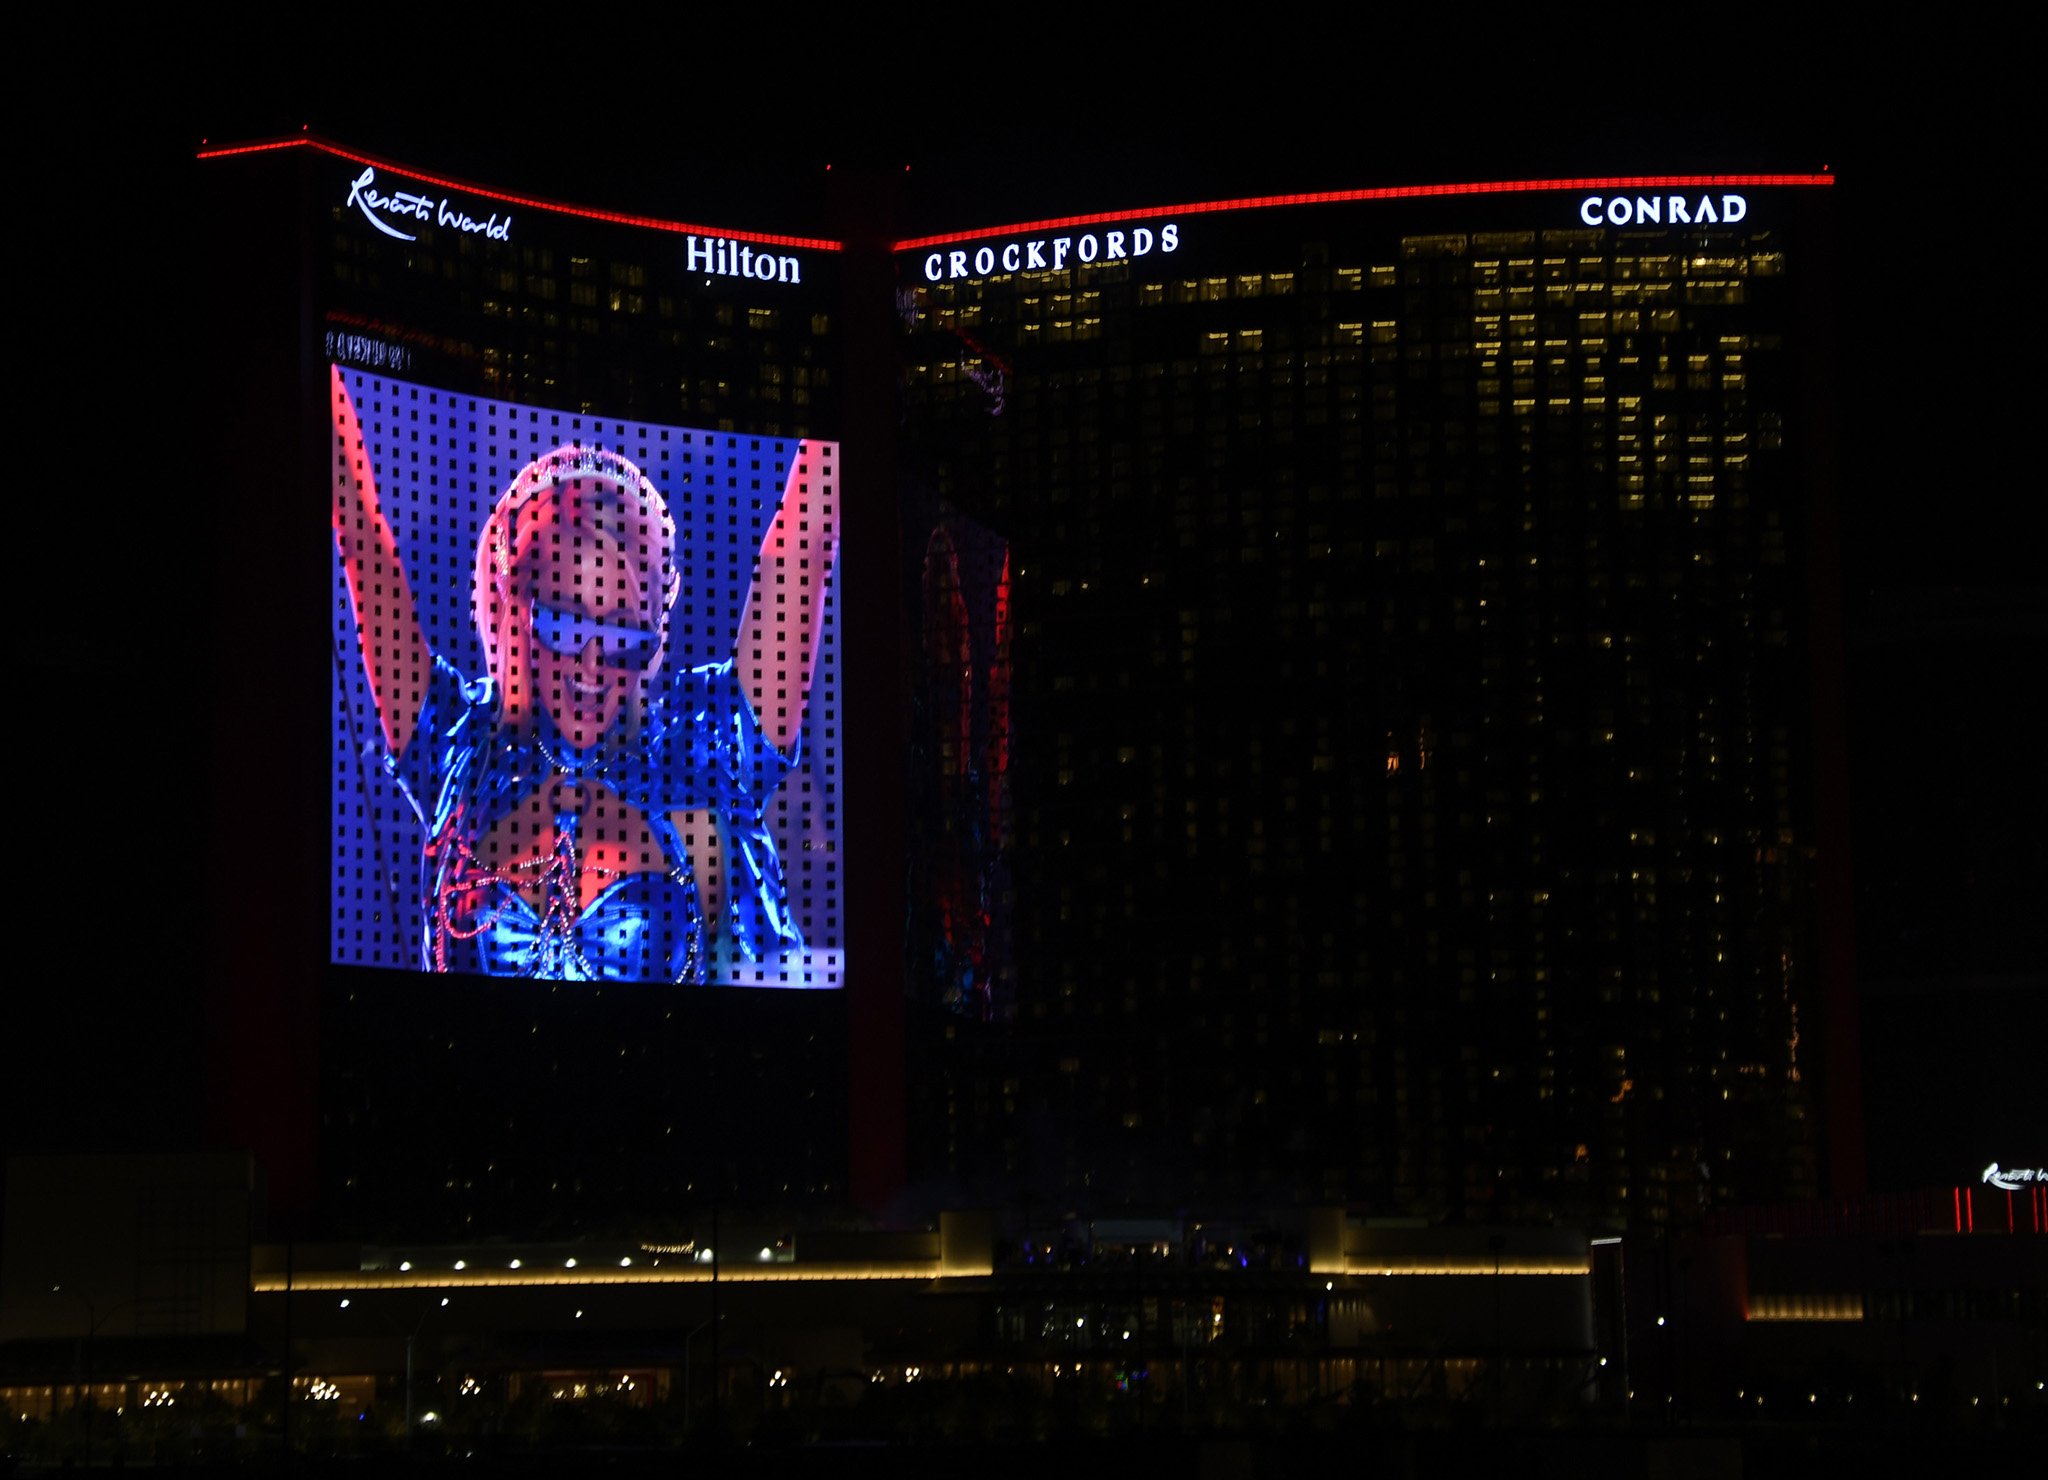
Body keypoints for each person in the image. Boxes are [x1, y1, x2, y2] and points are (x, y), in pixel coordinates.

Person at [330, 366, 837, 982]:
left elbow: (801, 551)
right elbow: (361, 533)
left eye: (624, 635)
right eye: (566, 625)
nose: (594, 664)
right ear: (514, 614)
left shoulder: (712, 736)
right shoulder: (458, 740)